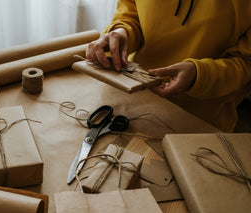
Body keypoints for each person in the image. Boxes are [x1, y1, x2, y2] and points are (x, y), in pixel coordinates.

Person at [86, 0, 251, 132]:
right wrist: (123, 32)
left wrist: (199, 75)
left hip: (196, 121)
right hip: (130, 99)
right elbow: (131, 12)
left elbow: (247, 63)